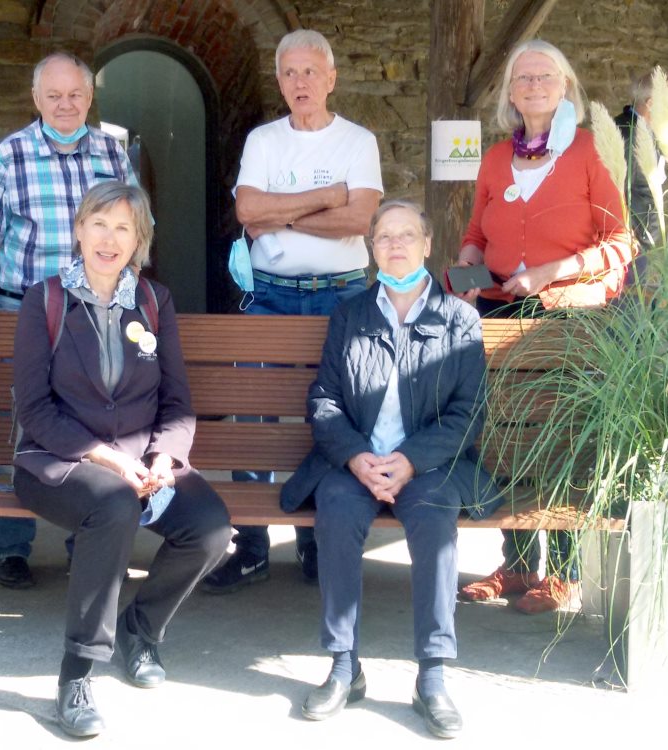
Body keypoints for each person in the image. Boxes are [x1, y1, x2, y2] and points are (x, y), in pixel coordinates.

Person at [12, 181, 232, 738]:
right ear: (80, 229)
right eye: (100, 224)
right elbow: (34, 410)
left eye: (124, 228)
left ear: (140, 241)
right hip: (58, 462)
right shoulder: (47, 300)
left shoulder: (154, 302)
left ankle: (141, 630)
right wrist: (108, 459)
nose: (109, 239)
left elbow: (179, 404)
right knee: (112, 507)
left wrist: (163, 458)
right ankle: (77, 673)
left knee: (210, 528)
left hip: (142, 465)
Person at [281, 200, 501, 738]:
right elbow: (325, 400)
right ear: (371, 249)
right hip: (355, 461)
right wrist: (356, 457)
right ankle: (343, 665)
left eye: (407, 236)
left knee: (433, 515)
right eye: (384, 237)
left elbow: (467, 413)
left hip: (427, 465)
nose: (396, 245)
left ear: (428, 246)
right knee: (334, 506)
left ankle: (432, 675)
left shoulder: (459, 320)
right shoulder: (350, 315)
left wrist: (409, 460)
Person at [455, 40, 634, 614]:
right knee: (505, 434)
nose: (534, 85)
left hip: (567, 317)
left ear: (566, 89)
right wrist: (465, 260)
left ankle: (562, 572)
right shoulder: (493, 159)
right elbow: (479, 232)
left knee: (556, 437)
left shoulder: (587, 153)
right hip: (500, 312)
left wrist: (554, 271)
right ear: (510, 92)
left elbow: (621, 243)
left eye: (546, 77)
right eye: (523, 77)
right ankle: (514, 562)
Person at [203, 29, 383, 593]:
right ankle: (252, 545)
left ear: (331, 78)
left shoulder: (358, 141)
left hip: (344, 294)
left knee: (331, 415)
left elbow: (359, 221)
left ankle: (315, 538)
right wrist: (325, 197)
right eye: (290, 73)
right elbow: (246, 209)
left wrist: (283, 217)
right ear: (279, 81)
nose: (300, 83)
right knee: (254, 410)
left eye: (311, 72)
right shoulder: (263, 139)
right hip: (271, 293)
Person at [0, 51, 138, 589]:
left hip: (97, 312)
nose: (66, 105)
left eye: (76, 95)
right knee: (17, 427)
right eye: (54, 96)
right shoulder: (8, 155)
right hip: (27, 312)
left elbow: (135, 230)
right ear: (36, 99)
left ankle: (84, 536)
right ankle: (9, 547)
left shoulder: (113, 150)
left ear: (90, 98)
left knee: (93, 424)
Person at [615, 71, 665, 283]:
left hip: (651, 244)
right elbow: (620, 195)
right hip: (637, 251)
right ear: (652, 103)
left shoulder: (649, 131)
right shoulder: (627, 135)